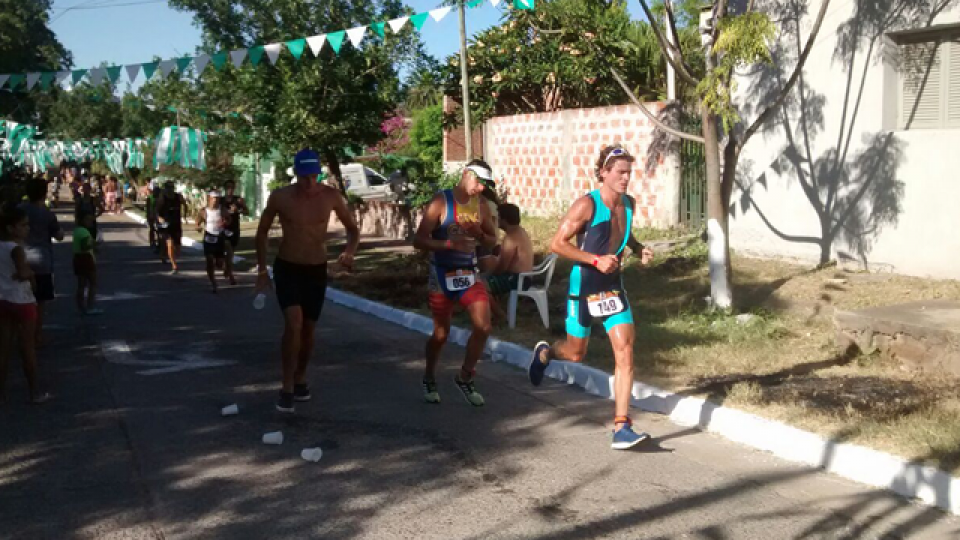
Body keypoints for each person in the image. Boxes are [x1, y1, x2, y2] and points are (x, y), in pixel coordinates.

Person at [528, 144, 655, 450]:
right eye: (620, 172)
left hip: (612, 287)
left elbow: (621, 232)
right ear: (604, 173)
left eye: (629, 172)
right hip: (584, 286)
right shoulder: (586, 205)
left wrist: (637, 248)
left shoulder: (629, 204)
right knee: (576, 353)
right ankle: (545, 353)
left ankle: (622, 426)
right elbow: (557, 244)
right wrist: (595, 260)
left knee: (625, 349)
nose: (626, 178)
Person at [255, 149, 359, 413]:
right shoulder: (281, 197)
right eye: (304, 177)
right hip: (288, 267)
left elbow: (352, 229)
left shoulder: (331, 196)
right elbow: (262, 231)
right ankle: (287, 385)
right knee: (294, 324)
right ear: (296, 174)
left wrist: (349, 252)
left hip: (316, 269)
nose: (310, 182)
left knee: (309, 330)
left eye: (314, 176)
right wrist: (261, 270)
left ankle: (301, 376)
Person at [412, 159, 498, 406]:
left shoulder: (481, 205)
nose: (480, 189)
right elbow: (419, 240)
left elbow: (492, 241)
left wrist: (478, 233)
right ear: (466, 174)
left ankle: (465, 377)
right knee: (441, 333)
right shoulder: (442, 202)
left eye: (485, 185)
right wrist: (450, 244)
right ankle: (429, 376)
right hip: (442, 275)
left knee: (483, 327)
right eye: (479, 183)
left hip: (468, 274)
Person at [0, 205, 51, 404]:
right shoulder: (16, 249)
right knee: (27, 347)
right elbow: (22, 273)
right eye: (23, 225)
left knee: (4, 348)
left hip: (3, 299)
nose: (27, 228)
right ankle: (34, 391)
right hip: (22, 301)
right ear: (11, 228)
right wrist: (30, 273)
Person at [19, 178, 64, 348]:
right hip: (42, 261)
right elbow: (58, 235)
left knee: (20, 299)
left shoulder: (19, 210)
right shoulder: (47, 214)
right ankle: (36, 335)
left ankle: (21, 334)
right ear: (44, 193)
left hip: (20, 259)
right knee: (39, 302)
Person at [483, 203, 534, 321]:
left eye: (498, 217)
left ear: (504, 220)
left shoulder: (511, 238)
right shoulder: (520, 231)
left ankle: (500, 316)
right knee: (485, 279)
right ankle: (493, 313)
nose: (496, 220)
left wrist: (488, 274)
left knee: (480, 286)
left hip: (517, 279)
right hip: (524, 278)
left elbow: (502, 267)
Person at [196, 191, 230, 293]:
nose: (215, 201)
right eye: (213, 198)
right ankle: (214, 283)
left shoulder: (222, 209)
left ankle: (224, 267)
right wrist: (198, 227)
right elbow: (197, 222)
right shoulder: (204, 211)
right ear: (209, 199)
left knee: (219, 262)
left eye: (217, 199)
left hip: (219, 237)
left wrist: (225, 222)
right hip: (209, 237)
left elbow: (229, 220)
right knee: (209, 260)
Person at [156, 181, 188, 274]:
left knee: (177, 247)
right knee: (170, 244)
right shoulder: (162, 198)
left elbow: (185, 205)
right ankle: (174, 266)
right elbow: (157, 211)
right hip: (167, 224)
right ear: (165, 189)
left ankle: (173, 256)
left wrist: (184, 216)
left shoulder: (178, 196)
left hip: (176, 224)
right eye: (168, 188)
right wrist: (159, 218)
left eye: (171, 187)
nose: (170, 189)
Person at [221, 179, 248, 285]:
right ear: (225, 188)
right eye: (228, 187)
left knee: (231, 252)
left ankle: (226, 267)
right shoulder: (221, 201)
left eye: (232, 187)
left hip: (234, 229)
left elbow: (247, 211)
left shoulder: (238, 200)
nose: (230, 189)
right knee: (228, 250)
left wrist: (238, 210)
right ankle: (231, 274)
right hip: (223, 228)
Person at [73, 212, 100, 316]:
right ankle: (90, 306)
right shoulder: (84, 232)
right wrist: (94, 244)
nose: (91, 222)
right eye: (88, 219)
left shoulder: (77, 231)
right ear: (83, 220)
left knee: (81, 284)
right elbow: (85, 246)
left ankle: (80, 306)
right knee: (93, 283)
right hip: (86, 258)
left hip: (77, 258)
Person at [146, 183, 161, 255]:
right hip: (152, 216)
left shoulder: (161, 197)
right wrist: (148, 217)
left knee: (159, 231)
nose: (157, 193)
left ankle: (159, 244)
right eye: (156, 191)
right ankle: (152, 242)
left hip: (159, 217)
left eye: (158, 191)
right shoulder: (150, 197)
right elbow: (148, 208)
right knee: (152, 229)